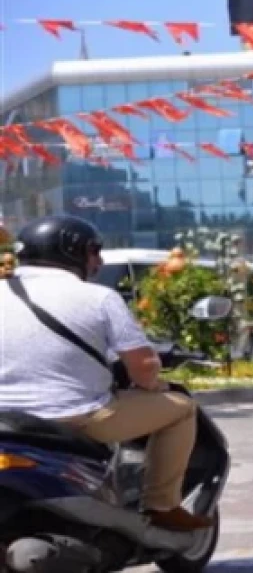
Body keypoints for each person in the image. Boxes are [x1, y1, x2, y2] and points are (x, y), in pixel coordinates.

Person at [0, 215, 212, 532]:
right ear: (71, 251)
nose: (98, 261)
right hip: (77, 418)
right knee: (181, 409)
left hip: (6, 420)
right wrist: (154, 384)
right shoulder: (99, 297)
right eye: (94, 251)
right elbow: (142, 365)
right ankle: (162, 506)